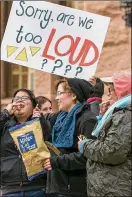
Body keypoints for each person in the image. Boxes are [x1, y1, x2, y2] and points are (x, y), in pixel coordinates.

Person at [34, 78, 97, 197]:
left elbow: (88, 156)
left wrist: (57, 161)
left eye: (59, 93)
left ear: (73, 95)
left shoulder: (87, 120)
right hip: (57, 187)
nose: (56, 98)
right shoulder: (60, 118)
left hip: (74, 189)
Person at [78, 71, 131, 197]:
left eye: (111, 90)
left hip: (115, 188)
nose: (108, 95)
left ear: (121, 91)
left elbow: (111, 152)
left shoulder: (125, 115)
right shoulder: (119, 112)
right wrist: (103, 117)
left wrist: (84, 145)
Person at [0, 88, 50, 197]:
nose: (19, 101)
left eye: (24, 98)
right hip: (10, 188)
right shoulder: (4, 125)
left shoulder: (40, 123)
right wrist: (6, 113)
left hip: (37, 187)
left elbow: (48, 140)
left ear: (33, 105)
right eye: (16, 99)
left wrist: (39, 120)